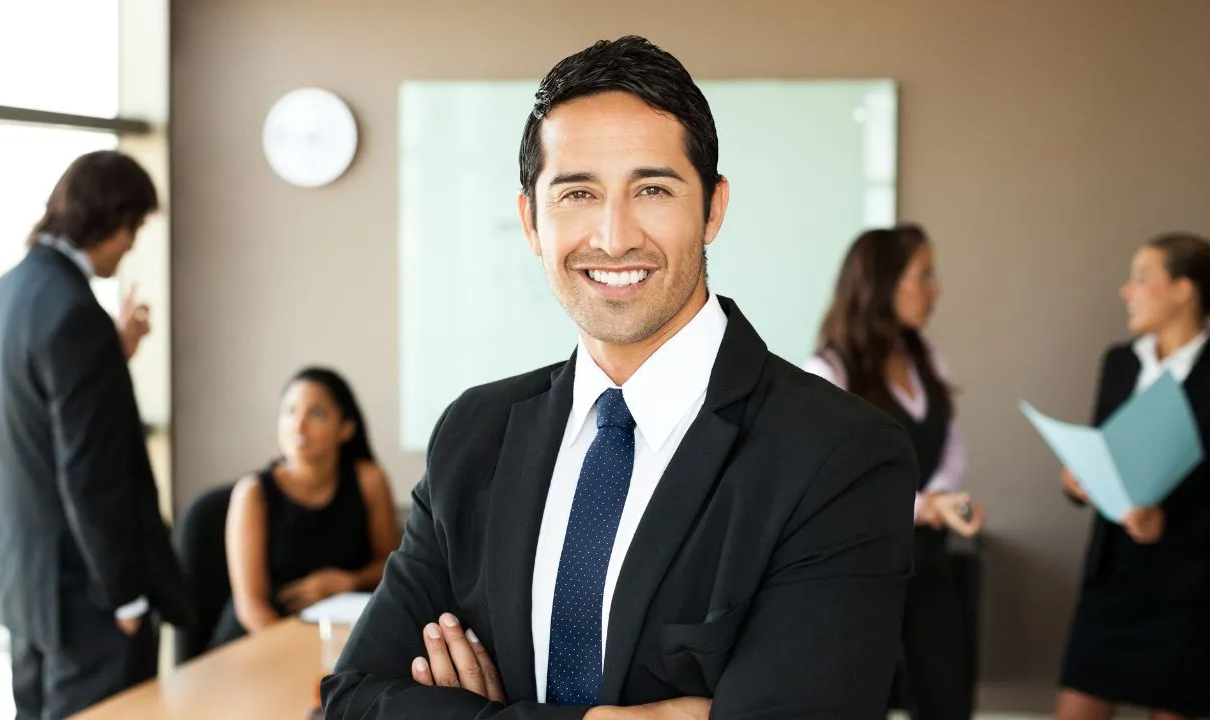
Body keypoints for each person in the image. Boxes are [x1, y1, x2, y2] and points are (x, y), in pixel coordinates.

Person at [321, 36, 918, 719]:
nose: (613, 236)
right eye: (577, 192)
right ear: (531, 221)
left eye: (652, 189)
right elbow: (352, 702)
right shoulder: (474, 434)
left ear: (713, 208)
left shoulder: (838, 454)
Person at [0, 150, 192, 719]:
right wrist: (126, 595)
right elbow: (90, 474)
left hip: (23, 581)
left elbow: (38, 422)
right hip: (84, 593)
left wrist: (113, 354)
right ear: (113, 220)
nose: (131, 245)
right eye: (134, 227)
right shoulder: (74, 315)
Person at [803, 224, 984, 720]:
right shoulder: (829, 374)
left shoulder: (927, 360)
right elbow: (832, 493)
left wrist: (946, 500)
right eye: (924, 276)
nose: (935, 290)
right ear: (883, 284)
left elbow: (952, 454)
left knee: (947, 696)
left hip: (929, 566)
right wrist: (924, 507)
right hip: (859, 578)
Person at [1055, 233, 1210, 720]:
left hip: (1190, 593)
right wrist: (1078, 481)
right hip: (1112, 579)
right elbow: (1103, 451)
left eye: (1141, 278)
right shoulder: (1119, 363)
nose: (1126, 292)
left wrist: (1167, 522)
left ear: (1183, 290)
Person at [211, 367, 401, 646]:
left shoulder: (368, 480)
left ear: (346, 428)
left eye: (316, 414)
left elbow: (391, 562)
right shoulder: (252, 493)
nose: (298, 426)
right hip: (263, 639)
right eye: (289, 412)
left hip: (339, 640)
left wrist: (350, 581)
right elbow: (251, 606)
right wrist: (297, 652)